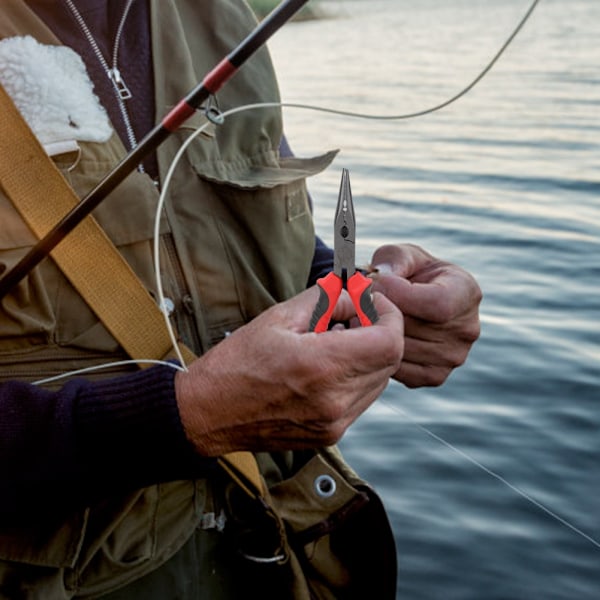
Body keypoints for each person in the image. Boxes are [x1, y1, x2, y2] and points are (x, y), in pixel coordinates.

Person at [0, 1, 482, 598]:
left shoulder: (226, 17)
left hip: (273, 551)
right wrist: (184, 416)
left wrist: (362, 296)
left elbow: (273, 248)